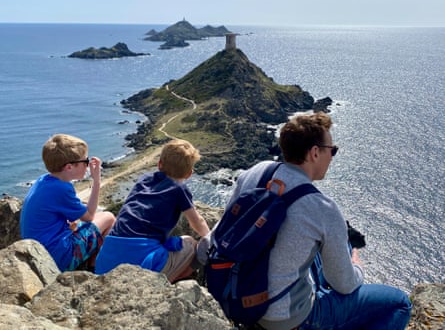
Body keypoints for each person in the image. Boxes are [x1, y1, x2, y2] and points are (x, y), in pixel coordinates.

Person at [202, 112, 412, 329]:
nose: (332, 157)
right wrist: (357, 266)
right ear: (314, 153)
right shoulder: (322, 208)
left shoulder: (256, 172)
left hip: (235, 295)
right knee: (399, 303)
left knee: (323, 248)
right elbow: (346, 284)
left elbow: (221, 232)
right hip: (285, 318)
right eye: (332, 151)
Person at [95, 139, 210, 283]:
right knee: (191, 243)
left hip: (107, 258)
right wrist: (209, 238)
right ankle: (170, 283)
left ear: (159, 164)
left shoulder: (144, 179)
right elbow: (196, 222)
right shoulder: (179, 189)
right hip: (140, 264)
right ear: (189, 174)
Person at [20, 134, 116, 272]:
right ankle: (93, 269)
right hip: (58, 257)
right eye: (85, 161)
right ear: (69, 167)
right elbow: (89, 216)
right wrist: (97, 181)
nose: (87, 165)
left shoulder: (43, 180)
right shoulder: (62, 188)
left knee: (83, 222)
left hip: (40, 253)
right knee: (108, 217)